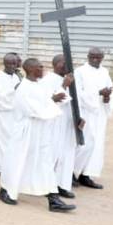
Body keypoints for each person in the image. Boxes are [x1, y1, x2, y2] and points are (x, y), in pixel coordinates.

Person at [0, 59, 75, 212]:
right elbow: (35, 110)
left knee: (45, 163)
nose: (43, 69)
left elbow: (47, 100)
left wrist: (60, 91)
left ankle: (53, 200)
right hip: (26, 132)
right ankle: (6, 190)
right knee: (18, 162)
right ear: (32, 69)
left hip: (41, 132)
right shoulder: (23, 88)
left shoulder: (39, 84)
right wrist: (53, 102)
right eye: (40, 67)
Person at [74, 47, 113, 189]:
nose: (95, 60)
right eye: (93, 57)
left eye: (98, 57)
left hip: (100, 114)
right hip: (86, 113)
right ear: (88, 56)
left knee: (97, 144)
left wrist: (107, 96)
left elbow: (110, 88)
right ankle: (72, 173)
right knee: (83, 144)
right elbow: (78, 93)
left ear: (102, 58)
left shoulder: (104, 72)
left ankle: (86, 175)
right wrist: (97, 93)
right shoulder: (80, 72)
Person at [43, 54, 82, 198]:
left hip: (67, 123)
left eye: (68, 63)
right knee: (52, 154)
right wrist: (64, 85)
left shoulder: (71, 79)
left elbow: (77, 101)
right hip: (53, 123)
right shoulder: (47, 79)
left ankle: (62, 185)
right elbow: (49, 100)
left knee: (67, 155)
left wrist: (79, 117)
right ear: (55, 64)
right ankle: (48, 186)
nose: (66, 66)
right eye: (63, 63)